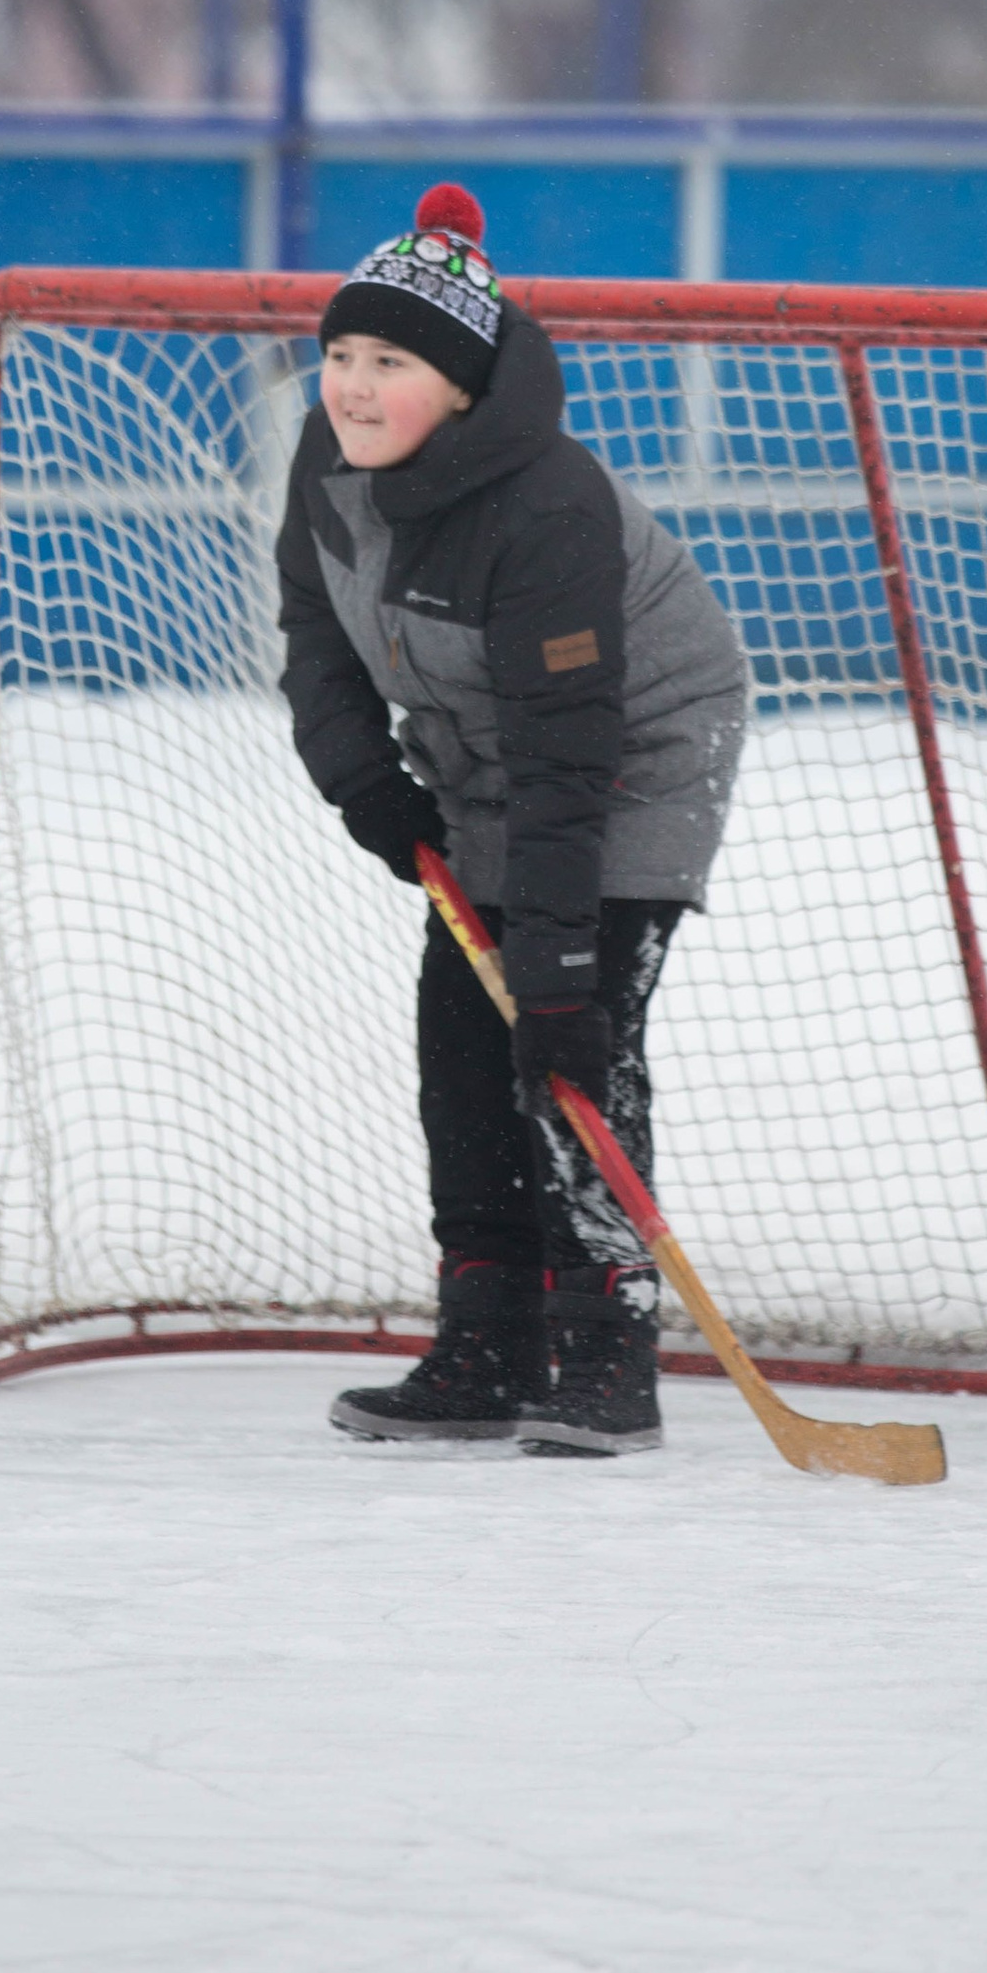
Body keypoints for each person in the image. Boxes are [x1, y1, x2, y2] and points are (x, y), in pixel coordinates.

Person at [277, 183, 749, 1455]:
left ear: (467, 387)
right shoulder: (326, 472)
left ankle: (605, 1356)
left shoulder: (543, 510)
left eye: (392, 363)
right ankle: (486, 1352)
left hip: (625, 765)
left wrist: (559, 972)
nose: (354, 389)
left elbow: (567, 756)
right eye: (339, 356)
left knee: (568, 1050)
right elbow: (316, 646)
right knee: (461, 1052)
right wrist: (363, 785)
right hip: (479, 759)